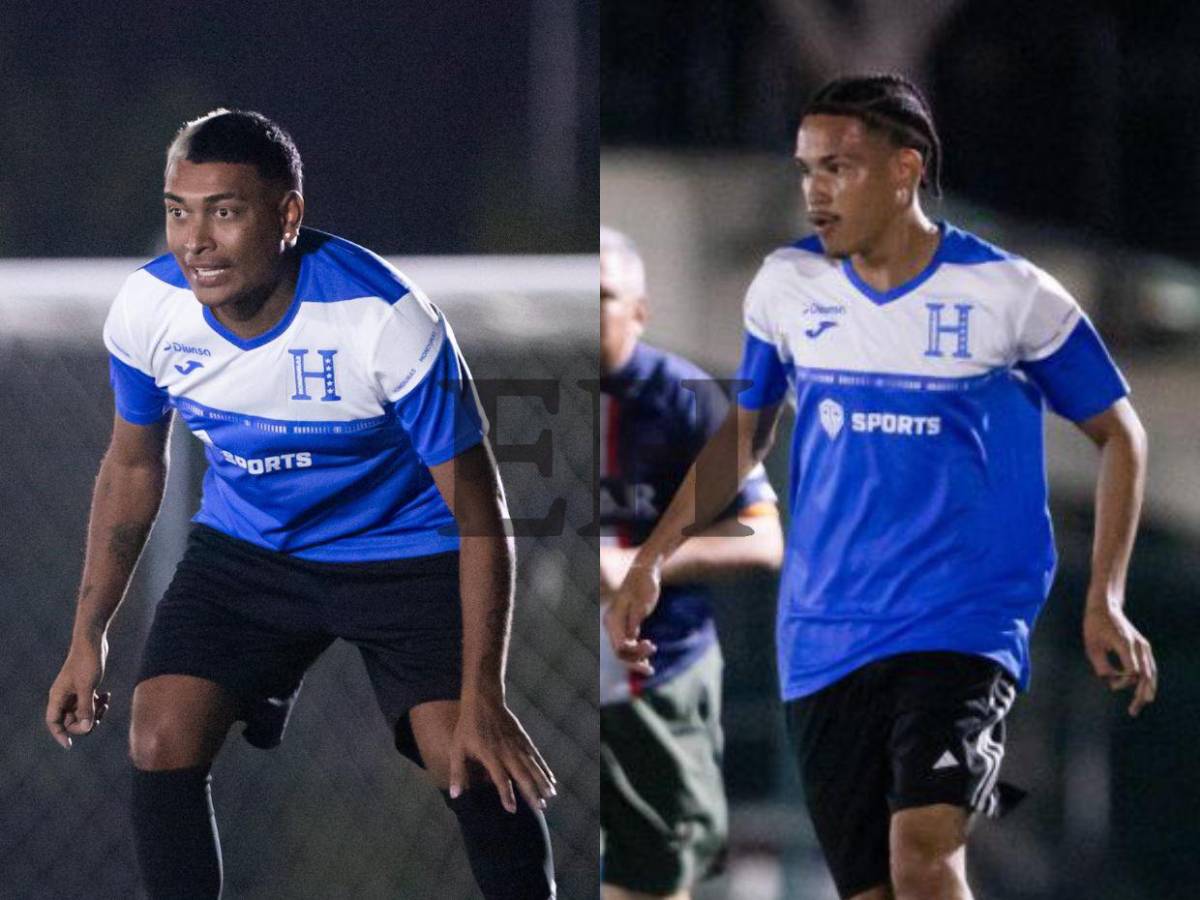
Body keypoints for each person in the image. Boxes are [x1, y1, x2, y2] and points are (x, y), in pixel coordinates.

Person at [605, 74, 1158, 900]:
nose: (815, 191)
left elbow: (1122, 435)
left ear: (905, 170)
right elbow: (745, 432)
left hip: (960, 624)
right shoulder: (786, 288)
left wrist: (1104, 595)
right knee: (872, 889)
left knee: (924, 854)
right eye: (805, 169)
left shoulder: (1008, 295)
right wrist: (654, 556)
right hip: (823, 634)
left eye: (839, 168)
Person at [45, 109, 556, 900]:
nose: (195, 240)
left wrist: (483, 696)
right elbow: (132, 466)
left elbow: (481, 514)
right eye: (178, 210)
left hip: (403, 554)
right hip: (249, 552)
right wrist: (89, 635)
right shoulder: (150, 311)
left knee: (471, 760)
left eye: (225, 211)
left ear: (287, 216)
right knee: (159, 735)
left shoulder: (384, 319)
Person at [599, 226, 783, 900]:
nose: (591, 313)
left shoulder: (682, 398)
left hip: (659, 677)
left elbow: (764, 540)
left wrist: (639, 566)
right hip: (543, 682)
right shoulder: (528, 399)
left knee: (651, 882)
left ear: (640, 312)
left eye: (606, 297)